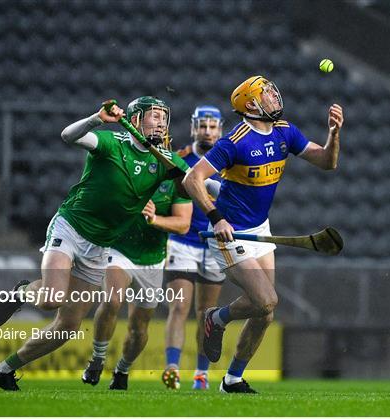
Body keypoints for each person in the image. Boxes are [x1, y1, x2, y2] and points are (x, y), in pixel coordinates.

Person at [0, 96, 189, 391]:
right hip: (71, 228)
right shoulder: (111, 143)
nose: (161, 122)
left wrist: (217, 192)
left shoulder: (167, 161)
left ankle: (4, 370)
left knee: (67, 328)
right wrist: (97, 118)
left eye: (164, 117)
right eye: (154, 116)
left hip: (100, 247)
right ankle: (21, 292)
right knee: (50, 299)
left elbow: (199, 184)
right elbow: (68, 135)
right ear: (135, 120)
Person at [182, 76, 344, 393]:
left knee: (265, 314)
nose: (273, 98)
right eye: (266, 95)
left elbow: (327, 162)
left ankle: (232, 379)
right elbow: (192, 179)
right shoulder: (236, 141)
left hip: (259, 229)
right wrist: (215, 218)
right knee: (267, 300)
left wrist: (334, 134)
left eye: (272, 93)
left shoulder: (285, 132)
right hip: (229, 233)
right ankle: (217, 318)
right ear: (251, 105)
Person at [81, 177, 192, 390]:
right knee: (112, 300)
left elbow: (183, 224)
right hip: (119, 249)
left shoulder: (178, 174)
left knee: (139, 328)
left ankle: (122, 370)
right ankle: (98, 358)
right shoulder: (126, 164)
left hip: (152, 260)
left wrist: (154, 219)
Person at [162, 106, 225, 390]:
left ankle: (201, 374)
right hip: (183, 241)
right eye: (203, 126)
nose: (208, 131)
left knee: (206, 313)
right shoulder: (182, 159)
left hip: (214, 244)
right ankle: (172, 368)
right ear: (193, 127)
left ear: (220, 129)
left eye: (213, 127)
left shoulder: (227, 162)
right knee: (179, 307)